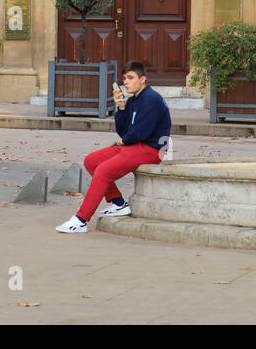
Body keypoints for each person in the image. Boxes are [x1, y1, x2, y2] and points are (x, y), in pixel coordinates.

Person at [56, 62, 171, 234]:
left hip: (151, 149)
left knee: (103, 170)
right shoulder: (133, 100)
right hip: (134, 145)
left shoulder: (151, 99)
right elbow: (123, 130)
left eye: (130, 78)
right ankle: (118, 203)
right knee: (91, 161)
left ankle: (81, 220)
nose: (126, 82)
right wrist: (121, 108)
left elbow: (140, 132)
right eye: (124, 78)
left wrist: (124, 141)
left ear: (143, 79)